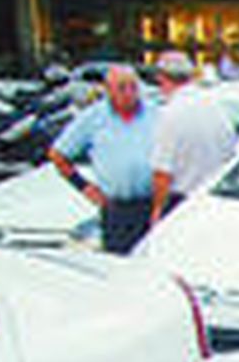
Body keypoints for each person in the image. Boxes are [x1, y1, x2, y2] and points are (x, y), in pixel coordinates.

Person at [47, 64, 159, 255]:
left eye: (133, 87)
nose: (129, 93)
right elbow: (58, 155)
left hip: (153, 205)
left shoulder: (156, 114)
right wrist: (85, 187)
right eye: (122, 88)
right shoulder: (93, 118)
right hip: (117, 210)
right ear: (108, 90)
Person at [148, 50, 236, 229]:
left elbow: (162, 173)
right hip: (214, 201)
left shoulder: (169, 114)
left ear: (162, 79)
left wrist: (157, 211)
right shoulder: (215, 106)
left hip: (182, 202)